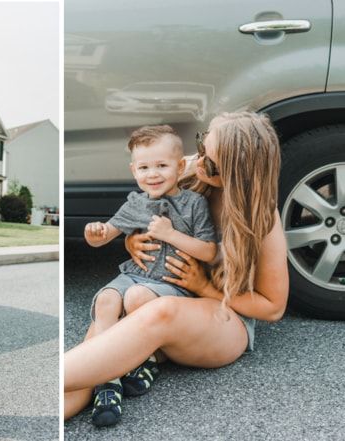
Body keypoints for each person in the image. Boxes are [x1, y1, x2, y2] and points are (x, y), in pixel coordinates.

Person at [64, 111, 290, 424]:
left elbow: (272, 307)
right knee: (105, 328)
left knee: (162, 312)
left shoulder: (262, 217)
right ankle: (70, 396)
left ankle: (49, 383)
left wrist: (204, 287)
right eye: (200, 147)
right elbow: (139, 211)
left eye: (208, 160)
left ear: (238, 173)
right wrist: (133, 241)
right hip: (158, 289)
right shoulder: (188, 170)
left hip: (222, 318)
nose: (198, 161)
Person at [83, 125, 217, 426]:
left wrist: (171, 235)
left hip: (171, 284)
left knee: (137, 297)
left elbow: (209, 251)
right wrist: (95, 233)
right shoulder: (135, 204)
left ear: (180, 166)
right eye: (144, 167)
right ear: (134, 171)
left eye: (161, 165)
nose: (152, 174)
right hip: (134, 274)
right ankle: (108, 381)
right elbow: (106, 235)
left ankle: (143, 360)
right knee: (106, 299)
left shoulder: (194, 204)